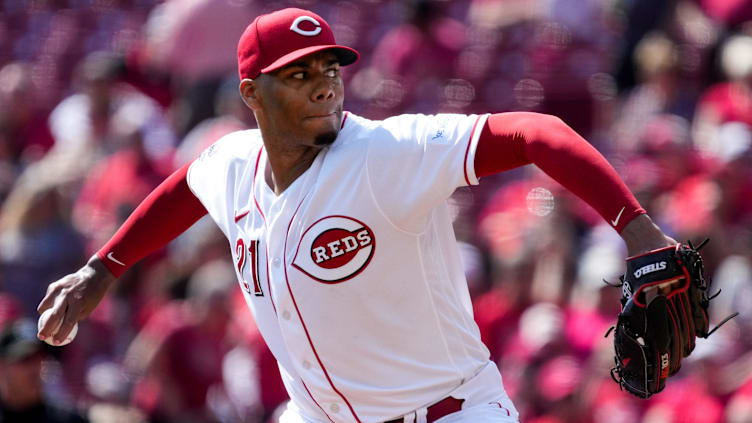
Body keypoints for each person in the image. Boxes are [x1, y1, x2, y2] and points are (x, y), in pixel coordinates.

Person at [38, 8, 676, 423]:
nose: (323, 83)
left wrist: (638, 228)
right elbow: (188, 185)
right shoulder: (231, 163)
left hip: (447, 414)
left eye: (329, 67)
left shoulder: (387, 154)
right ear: (251, 93)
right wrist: (105, 267)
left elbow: (537, 131)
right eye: (297, 74)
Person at [0, 319, 88, 423]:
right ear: (2, 365)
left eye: (40, 357)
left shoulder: (69, 419)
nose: (35, 367)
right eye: (25, 359)